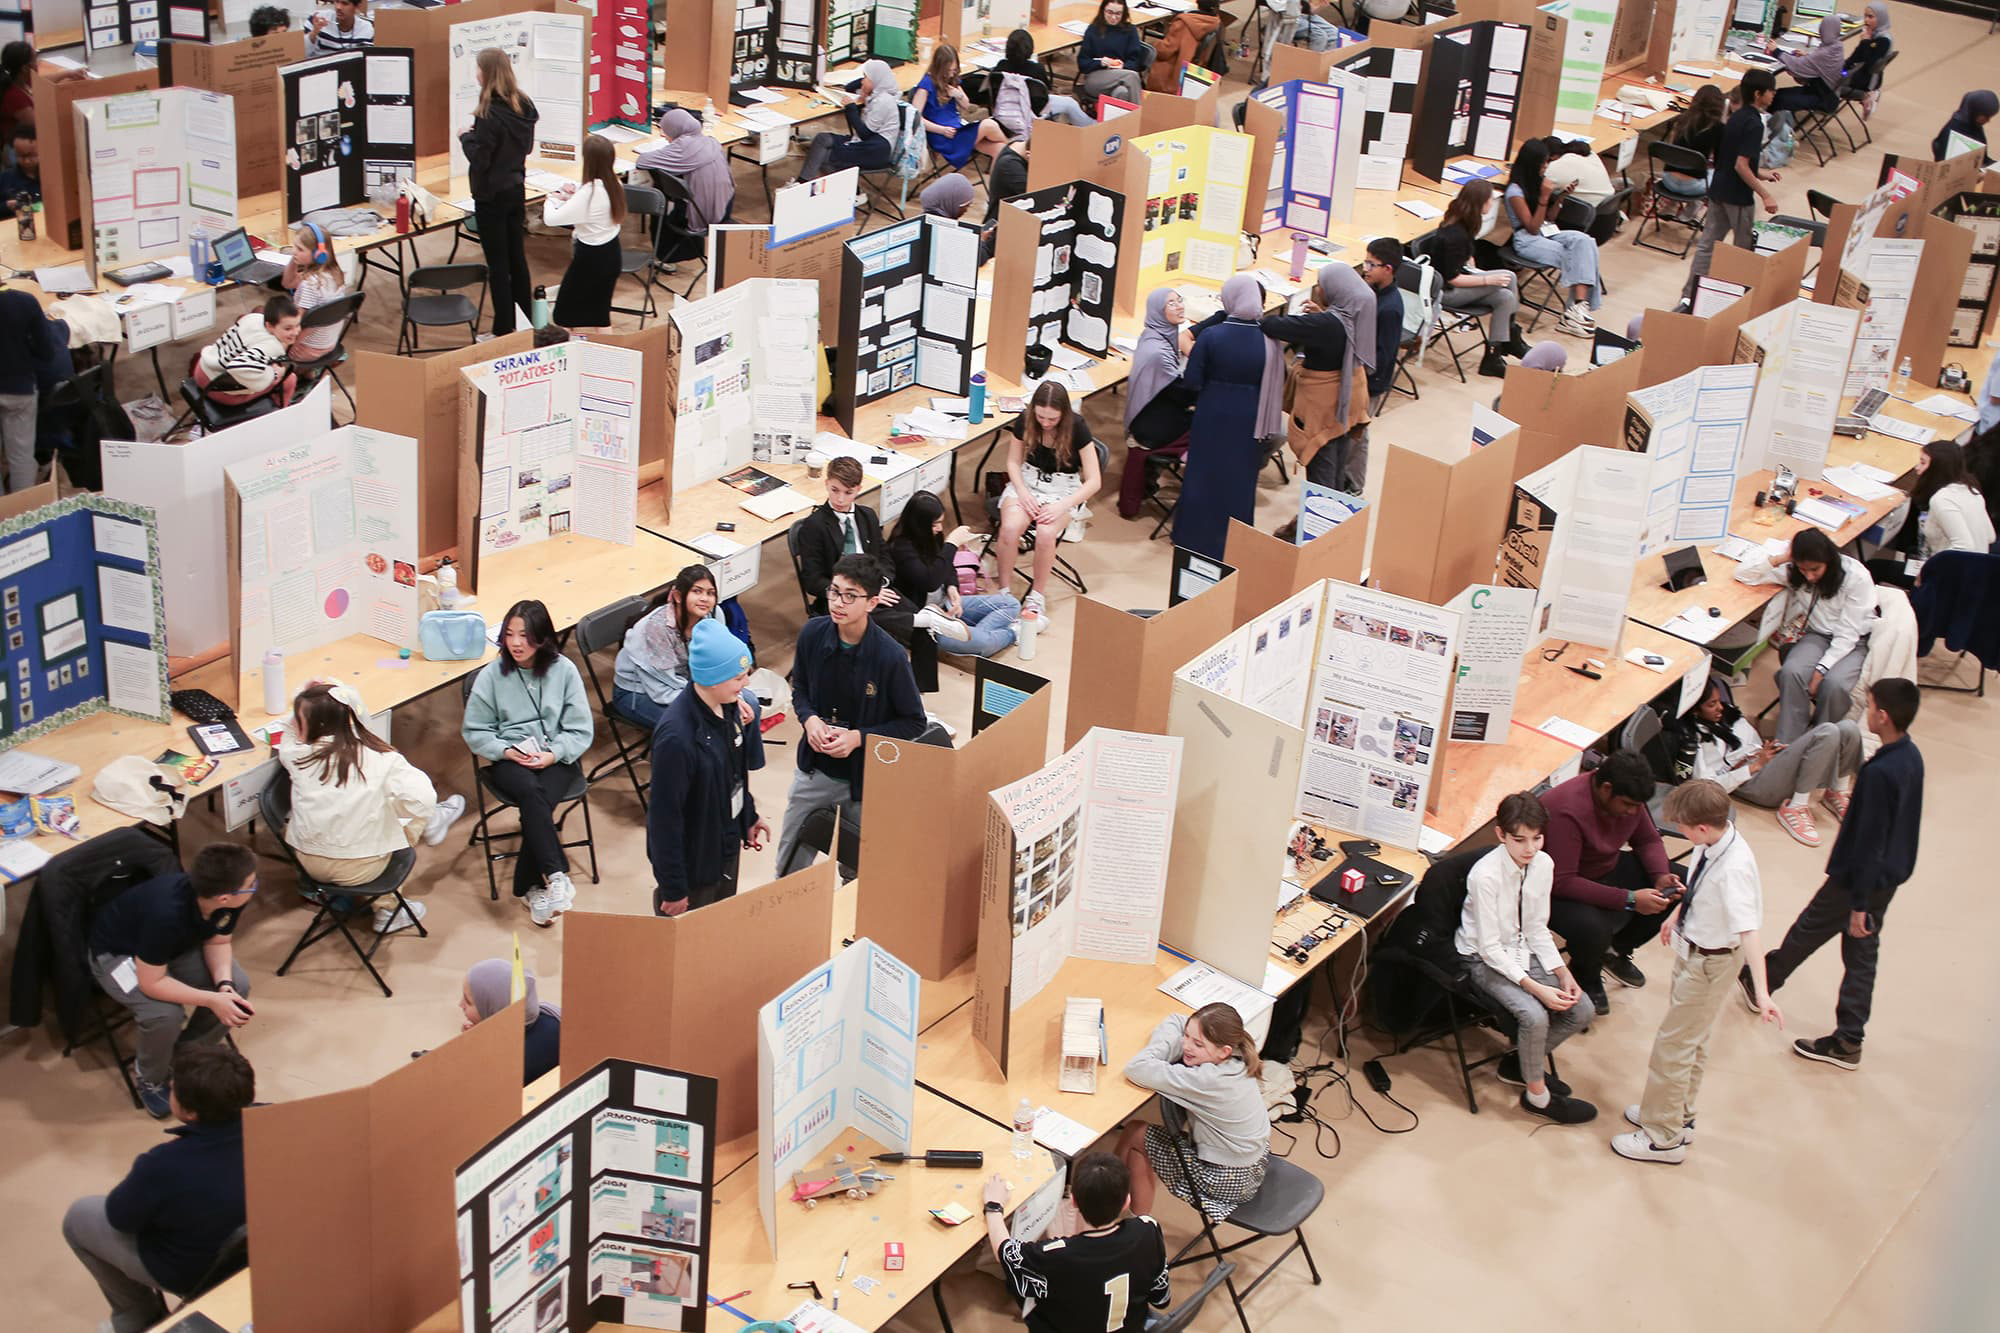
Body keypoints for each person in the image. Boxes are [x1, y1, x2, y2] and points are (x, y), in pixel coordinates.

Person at [1750, 678, 1923, 1071]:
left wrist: (1860, 902)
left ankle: (1765, 980)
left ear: (1883, 716)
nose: (1866, 710)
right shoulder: (1911, 758)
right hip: (1886, 878)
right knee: (1860, 954)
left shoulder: (1881, 773)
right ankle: (1847, 1036)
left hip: (1858, 880)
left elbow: (1870, 839)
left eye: (1871, 705)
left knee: (1811, 929)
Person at [1611, 780, 1783, 1164]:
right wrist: (1676, 916)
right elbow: (1700, 887)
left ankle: (1662, 1137)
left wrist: (1763, 993)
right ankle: (1675, 1113)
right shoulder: (1715, 843)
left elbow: (1749, 931)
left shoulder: (1734, 868)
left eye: (1684, 828)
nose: (1682, 832)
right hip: (1695, 948)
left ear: (1702, 828)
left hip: (1712, 962)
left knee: (1673, 1047)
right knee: (1693, 1041)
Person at [63, 1045, 253, 1331]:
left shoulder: (163, 1164)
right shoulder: (276, 1122)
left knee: (80, 1217)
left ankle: (137, 1317)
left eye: (172, 1088)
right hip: (258, 1248)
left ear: (188, 1111)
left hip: (193, 1272)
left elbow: (120, 1218)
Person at [774, 554, 926, 873]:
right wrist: (809, 719)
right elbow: (800, 689)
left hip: (865, 782)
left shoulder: (891, 657)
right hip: (814, 772)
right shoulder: (813, 634)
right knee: (790, 867)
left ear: (872, 603)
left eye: (850, 596)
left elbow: (914, 722)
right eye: (834, 591)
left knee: (858, 873)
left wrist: (859, 738)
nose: (838, 603)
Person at [87, 843, 258, 1117]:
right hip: (119, 955)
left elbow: (218, 941)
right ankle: (150, 1078)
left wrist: (224, 987)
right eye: (252, 884)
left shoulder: (228, 899)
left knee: (237, 987)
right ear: (225, 897)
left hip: (173, 947)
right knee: (163, 1014)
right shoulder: (166, 914)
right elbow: (151, 984)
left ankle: (185, 1058)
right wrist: (213, 999)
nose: (255, 887)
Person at [1457, 792, 1598, 1124]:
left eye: (1537, 838)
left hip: (1521, 947)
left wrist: (1561, 972)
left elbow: (1537, 927)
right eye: (1520, 840)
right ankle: (1537, 1097)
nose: (1530, 848)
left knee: (1583, 1009)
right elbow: (1490, 949)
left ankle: (1520, 1064)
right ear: (1501, 834)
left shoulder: (1543, 864)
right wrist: (1537, 988)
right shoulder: (1484, 876)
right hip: (1482, 957)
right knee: (1534, 1017)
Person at [279, 678, 465, 929]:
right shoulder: (382, 760)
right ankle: (387, 910)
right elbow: (424, 798)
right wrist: (401, 822)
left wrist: (302, 694)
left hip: (307, 864)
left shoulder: (297, 755)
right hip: (362, 870)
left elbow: (289, 730)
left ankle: (431, 823)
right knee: (400, 813)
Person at [461, 599, 595, 927]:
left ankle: (530, 886)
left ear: (543, 636)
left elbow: (580, 729)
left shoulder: (563, 670)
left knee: (539, 800)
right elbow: (475, 730)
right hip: (511, 756)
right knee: (533, 794)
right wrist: (506, 751)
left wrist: (554, 752)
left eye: (525, 635)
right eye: (509, 634)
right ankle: (556, 873)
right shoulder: (493, 675)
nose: (516, 643)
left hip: (557, 754)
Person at [1542, 751, 1682, 1013]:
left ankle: (1615, 950)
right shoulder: (1567, 808)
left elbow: (1648, 840)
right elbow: (1562, 881)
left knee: (1676, 885)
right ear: (1606, 789)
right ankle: (1586, 974)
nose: (1632, 812)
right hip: (1557, 890)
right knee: (1593, 929)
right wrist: (1629, 899)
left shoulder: (1631, 800)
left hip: (1603, 867)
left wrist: (1660, 875)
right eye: (1628, 804)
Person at [648, 620, 770, 914]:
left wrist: (749, 816)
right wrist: (674, 887)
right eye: (739, 677)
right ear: (714, 678)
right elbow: (663, 821)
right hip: (695, 867)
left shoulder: (729, 708)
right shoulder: (677, 738)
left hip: (724, 846)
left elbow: (735, 774)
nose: (747, 685)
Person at [1116, 1004, 1272, 1221]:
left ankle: (1117, 1205)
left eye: (1197, 1044)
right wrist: (1191, 1037)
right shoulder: (1239, 1057)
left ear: (1223, 1051)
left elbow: (1136, 1068)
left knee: (1135, 1133)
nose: (1186, 1046)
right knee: (1139, 1147)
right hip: (1255, 1164)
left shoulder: (1206, 1080)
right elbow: (1178, 1019)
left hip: (1227, 1179)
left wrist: (1166, 1046)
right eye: (1186, 1037)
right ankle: (1129, 1214)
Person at [985, 1151, 1170, 1332]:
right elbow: (1161, 1298)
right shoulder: (1148, 1230)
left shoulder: (1058, 1256)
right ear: (1126, 1201)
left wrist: (993, 1206)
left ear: (1073, 1201)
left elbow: (1006, 1253)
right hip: (1131, 1326)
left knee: (1021, 1283)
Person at [1675, 677, 1860, 849]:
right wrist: (1753, 766)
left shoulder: (1726, 714)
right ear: (1695, 710)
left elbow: (1750, 740)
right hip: (1750, 781)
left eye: (1718, 701)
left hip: (1761, 761)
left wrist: (1769, 750)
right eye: (1711, 704)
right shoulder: (1695, 739)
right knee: (1827, 732)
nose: (1720, 708)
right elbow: (1708, 787)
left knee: (1848, 728)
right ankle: (1795, 808)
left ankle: (1837, 791)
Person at [1734, 526, 1877, 742]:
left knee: (1834, 685)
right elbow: (1743, 574)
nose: (1809, 577)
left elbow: (1847, 635)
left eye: (1815, 570)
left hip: (1854, 640)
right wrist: (1783, 558)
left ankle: (1819, 740)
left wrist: (1820, 671)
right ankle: (1787, 744)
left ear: (1829, 561)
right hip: (1817, 635)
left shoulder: (1855, 577)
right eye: (1803, 569)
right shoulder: (1795, 570)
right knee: (1791, 672)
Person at [1174, 275, 1282, 559]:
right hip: (1250, 416)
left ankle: (1193, 537)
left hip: (1213, 412)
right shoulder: (1269, 339)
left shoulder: (1213, 335)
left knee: (1203, 474)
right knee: (1239, 477)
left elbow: (1193, 380)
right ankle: (1235, 539)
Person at [1259, 261, 1378, 494]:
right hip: (1350, 400)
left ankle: (1317, 526)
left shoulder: (1326, 325)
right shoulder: (1356, 312)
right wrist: (1322, 315)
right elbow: (1336, 330)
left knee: (1321, 469)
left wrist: (1319, 319)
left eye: (1321, 285)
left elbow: (1272, 324)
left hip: (1324, 408)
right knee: (1336, 463)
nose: (1318, 290)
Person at [994, 381, 1101, 620]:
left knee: (1044, 533)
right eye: (1041, 417)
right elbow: (1013, 462)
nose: (1045, 423)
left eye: (1052, 419)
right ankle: (1003, 592)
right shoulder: (1026, 419)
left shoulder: (1077, 426)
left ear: (1063, 414)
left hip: (1064, 489)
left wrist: (1061, 506)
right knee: (1010, 529)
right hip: (1028, 481)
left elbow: (1094, 481)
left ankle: (1037, 596)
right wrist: (1022, 492)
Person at [460, 48, 538, 338]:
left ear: (488, 73)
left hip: (490, 197)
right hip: (515, 190)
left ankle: (503, 329)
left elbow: (480, 159)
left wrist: (465, 137)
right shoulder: (524, 105)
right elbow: (525, 148)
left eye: (478, 69)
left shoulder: (488, 114)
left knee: (498, 266)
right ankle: (525, 320)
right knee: (517, 259)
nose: (475, 74)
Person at [887, 490, 1022, 656]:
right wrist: (951, 544)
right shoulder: (901, 547)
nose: (939, 528)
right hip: (927, 619)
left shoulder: (931, 535)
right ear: (919, 524)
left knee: (1011, 603)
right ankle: (1013, 633)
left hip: (946, 605)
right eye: (934, 524)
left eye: (941, 522)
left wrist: (952, 588)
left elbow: (946, 566)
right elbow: (930, 581)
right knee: (984, 644)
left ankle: (972, 634)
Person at [1687, 68, 1780, 299]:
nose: (1774, 94)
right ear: (1759, 94)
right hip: (1738, 196)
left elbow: (1732, 159)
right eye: (1771, 91)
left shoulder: (1734, 117)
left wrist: (1761, 174)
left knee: (1707, 246)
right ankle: (1738, 295)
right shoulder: (1755, 123)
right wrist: (1765, 194)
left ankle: (1690, 293)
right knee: (1743, 250)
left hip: (1718, 190)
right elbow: (1740, 165)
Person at [613, 563, 737, 728]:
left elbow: (721, 661)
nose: (705, 599)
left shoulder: (713, 615)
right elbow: (660, 691)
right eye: (697, 591)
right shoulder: (656, 629)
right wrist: (710, 701)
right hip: (639, 692)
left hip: (686, 684)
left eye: (710, 593)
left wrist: (730, 694)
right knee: (702, 727)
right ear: (678, 596)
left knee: (746, 705)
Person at [1500, 138, 1602, 335]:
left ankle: (1577, 309)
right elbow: (1531, 227)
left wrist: (1561, 197)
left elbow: (1550, 217)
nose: (1546, 167)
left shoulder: (1536, 182)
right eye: (1543, 163)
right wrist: (1544, 198)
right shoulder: (1514, 192)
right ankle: (1576, 312)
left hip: (1548, 231)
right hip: (1527, 239)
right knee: (1576, 257)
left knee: (1585, 242)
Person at [1433, 180, 1529, 378]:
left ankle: (1493, 355)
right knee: (1507, 277)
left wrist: (1474, 268)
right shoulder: (1454, 235)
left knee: (1505, 297)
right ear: (1480, 202)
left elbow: (1467, 257)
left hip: (1463, 278)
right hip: (1448, 292)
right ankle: (1510, 337)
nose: (1492, 204)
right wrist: (1487, 281)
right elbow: (1453, 279)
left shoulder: (1464, 224)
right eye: (1490, 200)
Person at [1866, 440, 1995, 588]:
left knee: (1873, 567)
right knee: (1911, 551)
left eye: (1923, 463)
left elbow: (1964, 546)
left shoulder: (1942, 500)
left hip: (1947, 578)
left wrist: (1927, 569)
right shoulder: (1972, 491)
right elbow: (1990, 536)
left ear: (1937, 469)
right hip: (1975, 575)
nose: (1917, 468)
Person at [1120, 287, 1198, 516]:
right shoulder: (1158, 352)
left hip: (1150, 413)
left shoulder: (1156, 334)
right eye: (1171, 304)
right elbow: (1184, 393)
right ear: (1158, 311)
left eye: (1179, 300)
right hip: (1152, 426)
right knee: (1208, 423)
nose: (1179, 306)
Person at [793, 455, 901, 619]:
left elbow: (884, 557)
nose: (840, 499)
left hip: (874, 588)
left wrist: (879, 584)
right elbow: (812, 580)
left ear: (858, 489)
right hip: (840, 599)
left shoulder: (868, 516)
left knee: (910, 614)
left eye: (848, 492)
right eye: (835, 490)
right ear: (827, 484)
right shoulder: (814, 526)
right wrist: (853, 593)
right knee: (904, 623)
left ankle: (930, 624)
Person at [542, 133, 626, 332]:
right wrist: (573, 196)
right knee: (600, 313)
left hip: (590, 258)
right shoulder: (614, 184)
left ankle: (575, 352)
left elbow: (551, 219)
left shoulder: (590, 193)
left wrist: (551, 199)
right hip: (611, 253)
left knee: (564, 313)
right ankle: (608, 356)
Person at [636, 109, 735, 263]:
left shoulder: (681, 148)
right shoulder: (712, 142)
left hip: (700, 216)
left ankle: (667, 258)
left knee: (659, 191)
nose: (663, 135)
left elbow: (643, 161)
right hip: (725, 207)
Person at [459, 958, 563, 1083]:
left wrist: (471, 1048)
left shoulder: (504, 1062)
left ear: (493, 1008)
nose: (460, 1004)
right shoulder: (551, 1017)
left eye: (469, 1002)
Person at [800, 59, 899, 181]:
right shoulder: (876, 93)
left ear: (875, 80)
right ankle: (802, 182)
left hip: (875, 149)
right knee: (822, 139)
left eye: (865, 78)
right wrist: (865, 85)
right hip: (869, 142)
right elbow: (849, 88)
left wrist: (851, 108)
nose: (862, 81)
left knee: (825, 157)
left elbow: (865, 134)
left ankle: (852, 192)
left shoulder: (883, 101)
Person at [194, 296, 301, 408]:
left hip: (202, 368)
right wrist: (274, 374)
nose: (296, 332)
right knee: (290, 379)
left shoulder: (252, 318)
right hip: (216, 389)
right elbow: (237, 366)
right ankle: (280, 411)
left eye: (297, 325)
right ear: (269, 326)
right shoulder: (271, 345)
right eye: (288, 329)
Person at [912, 44, 1007, 170]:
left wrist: (958, 95)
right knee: (990, 125)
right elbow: (915, 118)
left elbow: (966, 105)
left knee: (1000, 149)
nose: (951, 75)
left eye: (954, 70)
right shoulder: (926, 85)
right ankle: (1017, 153)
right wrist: (942, 130)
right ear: (939, 68)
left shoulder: (951, 80)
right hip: (943, 136)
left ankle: (998, 185)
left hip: (957, 129)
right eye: (948, 71)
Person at [0, 287, 58, 492]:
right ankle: (21, 512)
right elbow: (47, 352)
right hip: (19, 388)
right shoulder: (24, 302)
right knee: (22, 456)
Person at [991, 28, 1090, 132]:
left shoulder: (1001, 66)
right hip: (1034, 109)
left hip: (1006, 108)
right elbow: (1045, 90)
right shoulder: (1036, 68)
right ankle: (1091, 128)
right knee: (1070, 103)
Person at [280, 222, 349, 362]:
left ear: (319, 255)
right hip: (329, 345)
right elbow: (287, 283)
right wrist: (295, 260)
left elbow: (296, 325)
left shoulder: (309, 285)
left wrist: (289, 346)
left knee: (259, 315)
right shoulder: (334, 274)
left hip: (305, 351)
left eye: (300, 249)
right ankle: (311, 372)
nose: (294, 251)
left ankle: (299, 372)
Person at [0, 41, 84, 143]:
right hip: (19, 148)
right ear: (25, 68)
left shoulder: (21, 79)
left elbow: (42, 81)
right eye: (35, 60)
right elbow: (41, 125)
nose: (37, 63)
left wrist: (68, 74)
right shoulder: (14, 96)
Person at [1768, 13, 1845, 116]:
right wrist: (1808, 57)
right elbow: (1819, 63)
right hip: (1828, 95)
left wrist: (1776, 51)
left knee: (1776, 99)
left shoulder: (1824, 52)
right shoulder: (1837, 46)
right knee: (1779, 93)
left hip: (1822, 99)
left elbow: (1796, 66)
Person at [1078, 0, 1147, 107]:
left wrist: (1123, 66)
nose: (1114, 17)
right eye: (1110, 12)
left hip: (1121, 76)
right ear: (1103, 11)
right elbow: (1082, 64)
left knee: (1121, 92)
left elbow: (1136, 62)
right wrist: (1101, 62)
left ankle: (1120, 123)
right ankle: (1139, 118)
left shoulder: (1130, 31)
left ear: (1124, 13)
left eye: (1118, 14)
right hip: (1096, 77)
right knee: (1131, 76)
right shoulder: (1093, 30)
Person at [1147, 0, 1223, 93]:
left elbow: (1165, 51)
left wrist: (1153, 44)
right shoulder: (1215, 21)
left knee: (1146, 49)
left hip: (1172, 75)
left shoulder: (1183, 23)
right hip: (1192, 70)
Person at [1845, 2, 1893, 114]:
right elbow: (1855, 57)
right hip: (1855, 73)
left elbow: (1869, 64)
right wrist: (1842, 68)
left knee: (1826, 79)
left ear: (1881, 18)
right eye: (1865, 16)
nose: (1866, 20)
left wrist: (1865, 42)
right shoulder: (1872, 34)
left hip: (1864, 81)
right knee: (1833, 71)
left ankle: (1866, 96)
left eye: (1870, 17)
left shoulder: (1884, 40)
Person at [1542, 137, 1616, 208]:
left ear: (1551, 157)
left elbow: (1542, 185)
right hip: (1609, 201)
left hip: (1588, 210)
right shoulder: (1590, 154)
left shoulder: (1558, 165)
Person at [1931, 89, 1996, 162]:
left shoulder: (1975, 126)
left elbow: (1982, 159)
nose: (1988, 120)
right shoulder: (1951, 132)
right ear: (1975, 111)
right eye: (1986, 116)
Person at [307, 0, 373, 56]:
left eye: (345, 3)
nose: (338, 7)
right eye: (337, 1)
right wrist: (314, 33)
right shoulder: (318, 18)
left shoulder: (366, 29)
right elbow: (302, 54)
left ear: (357, 7)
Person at [0, 124, 38, 218]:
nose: (26, 161)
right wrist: (7, 206)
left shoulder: (52, 175)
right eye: (20, 156)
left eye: (32, 155)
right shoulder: (6, 178)